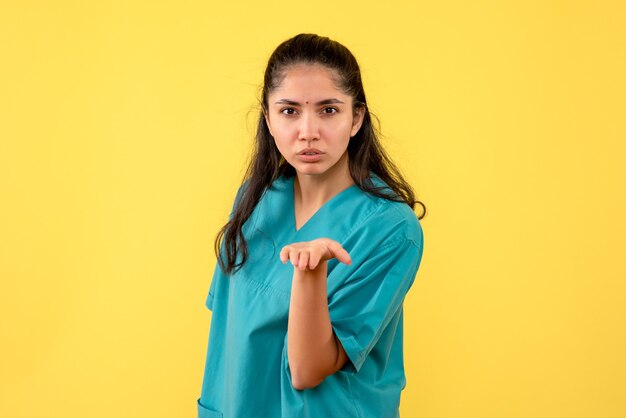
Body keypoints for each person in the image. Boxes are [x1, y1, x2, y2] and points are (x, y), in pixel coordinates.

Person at [197, 33, 426, 418]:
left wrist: (311, 270)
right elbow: (228, 333)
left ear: (356, 118)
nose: (308, 131)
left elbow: (307, 370)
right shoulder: (254, 201)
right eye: (289, 111)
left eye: (328, 110)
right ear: (268, 118)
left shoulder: (390, 229)